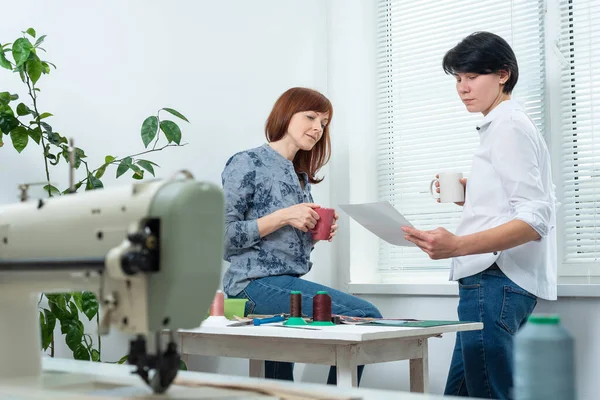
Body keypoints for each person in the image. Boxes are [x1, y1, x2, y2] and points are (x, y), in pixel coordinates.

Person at [402, 32, 557, 399]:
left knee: (489, 392)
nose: (462, 88)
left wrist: (457, 245)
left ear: (503, 74)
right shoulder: (505, 123)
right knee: (462, 392)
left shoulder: (507, 125)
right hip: (495, 281)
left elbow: (535, 219)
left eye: (472, 77)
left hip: (494, 278)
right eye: (457, 78)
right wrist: (473, 194)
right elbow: (519, 201)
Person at [221, 87, 382, 385]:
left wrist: (314, 235)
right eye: (310, 116)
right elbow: (224, 237)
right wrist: (285, 215)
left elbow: (281, 247)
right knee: (364, 313)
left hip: (283, 283)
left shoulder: (300, 177)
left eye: (324, 122)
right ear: (285, 114)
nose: (318, 128)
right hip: (250, 286)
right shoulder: (247, 163)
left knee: (279, 379)